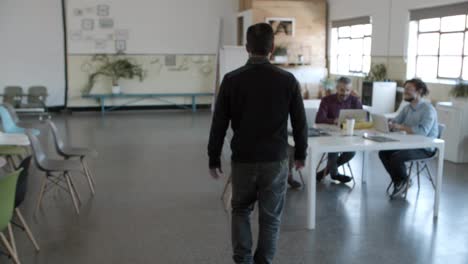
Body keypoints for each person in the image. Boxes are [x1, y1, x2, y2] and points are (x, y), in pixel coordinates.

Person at [207, 23, 308, 264]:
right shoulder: (288, 80)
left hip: (243, 159)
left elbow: (219, 122)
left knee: (240, 210)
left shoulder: (231, 80)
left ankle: (242, 260)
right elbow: (300, 122)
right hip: (275, 160)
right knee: (271, 218)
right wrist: (301, 153)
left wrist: (213, 157)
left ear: (246, 48)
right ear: (272, 48)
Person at [379, 78, 438, 198]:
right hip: (409, 144)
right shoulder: (407, 108)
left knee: (396, 157)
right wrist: (389, 123)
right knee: (383, 153)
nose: (404, 92)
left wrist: (400, 127)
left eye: (408, 89)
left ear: (419, 91)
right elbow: (396, 122)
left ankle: (401, 182)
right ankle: (402, 181)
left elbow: (422, 132)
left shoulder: (428, 110)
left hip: (424, 148)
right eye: (404, 89)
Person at [315, 77, 362, 183]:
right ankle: (335, 174)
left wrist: (359, 101)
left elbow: (362, 118)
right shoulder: (326, 100)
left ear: (351, 90)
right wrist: (334, 121)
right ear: (337, 88)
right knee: (334, 150)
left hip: (349, 135)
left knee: (351, 152)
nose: (345, 93)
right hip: (330, 135)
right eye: (342, 90)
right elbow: (319, 119)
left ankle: (326, 171)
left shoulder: (355, 101)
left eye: (347, 90)